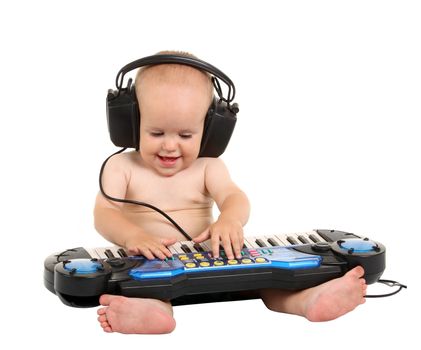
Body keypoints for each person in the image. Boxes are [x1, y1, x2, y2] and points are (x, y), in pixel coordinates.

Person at [95, 51, 367, 334]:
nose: (170, 146)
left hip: (213, 258)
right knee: (148, 287)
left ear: (211, 130)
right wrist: (133, 236)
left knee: (270, 280)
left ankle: (309, 301)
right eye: (156, 133)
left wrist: (230, 220)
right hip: (152, 265)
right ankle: (150, 313)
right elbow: (104, 213)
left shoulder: (208, 166)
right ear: (131, 122)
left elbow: (234, 197)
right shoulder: (121, 166)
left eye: (186, 135)